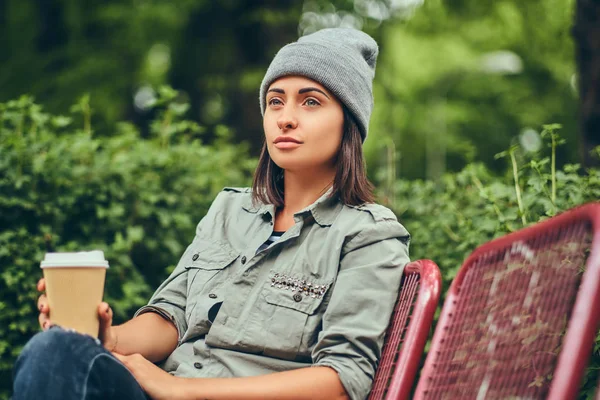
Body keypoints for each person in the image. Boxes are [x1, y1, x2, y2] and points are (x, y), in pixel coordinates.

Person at [13, 28, 410, 400]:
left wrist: (185, 390)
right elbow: (172, 317)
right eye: (275, 101)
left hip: (195, 392)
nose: (285, 117)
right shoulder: (230, 210)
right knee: (54, 348)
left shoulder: (368, 236)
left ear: (349, 124)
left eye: (311, 101)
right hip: (163, 388)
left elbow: (343, 380)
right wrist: (104, 338)